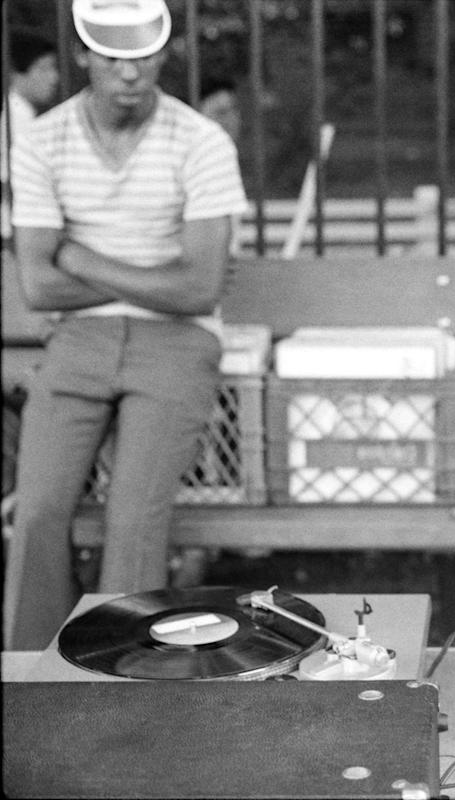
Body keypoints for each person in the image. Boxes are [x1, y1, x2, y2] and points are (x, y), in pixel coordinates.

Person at [3, 0, 247, 649]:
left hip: (178, 343)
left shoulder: (201, 141)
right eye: (112, 56)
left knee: (134, 517)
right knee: (38, 511)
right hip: (78, 342)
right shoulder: (42, 140)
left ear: (163, 55)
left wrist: (80, 257)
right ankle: (29, 671)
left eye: (142, 55)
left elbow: (199, 289)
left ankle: (121, 671)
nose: (130, 72)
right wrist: (155, 277)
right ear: (83, 54)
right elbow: (37, 285)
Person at [2, 29, 60, 241]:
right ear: (16, 73)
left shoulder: (22, 114)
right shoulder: (15, 119)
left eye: (54, 68)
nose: (54, 78)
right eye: (43, 68)